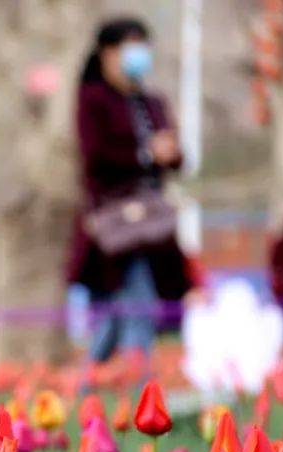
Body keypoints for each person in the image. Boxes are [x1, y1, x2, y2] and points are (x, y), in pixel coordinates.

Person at [68, 18, 197, 364]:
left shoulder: (151, 102)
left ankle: (90, 381)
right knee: (135, 302)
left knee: (123, 308)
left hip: (153, 225)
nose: (138, 55)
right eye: (129, 46)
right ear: (108, 53)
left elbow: (176, 158)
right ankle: (139, 385)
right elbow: (93, 156)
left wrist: (169, 152)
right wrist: (145, 154)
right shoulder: (93, 99)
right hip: (117, 227)